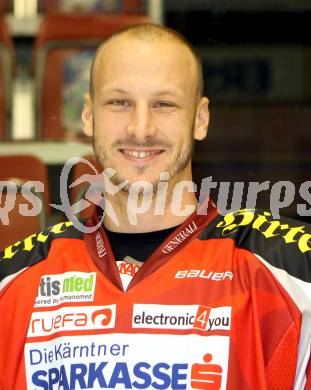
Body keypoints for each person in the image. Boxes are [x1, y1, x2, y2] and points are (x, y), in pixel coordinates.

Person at [0, 23, 310, 390]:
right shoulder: (14, 281)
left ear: (200, 118)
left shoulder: (292, 270)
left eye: (164, 104)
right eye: (119, 102)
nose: (141, 129)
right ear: (88, 115)